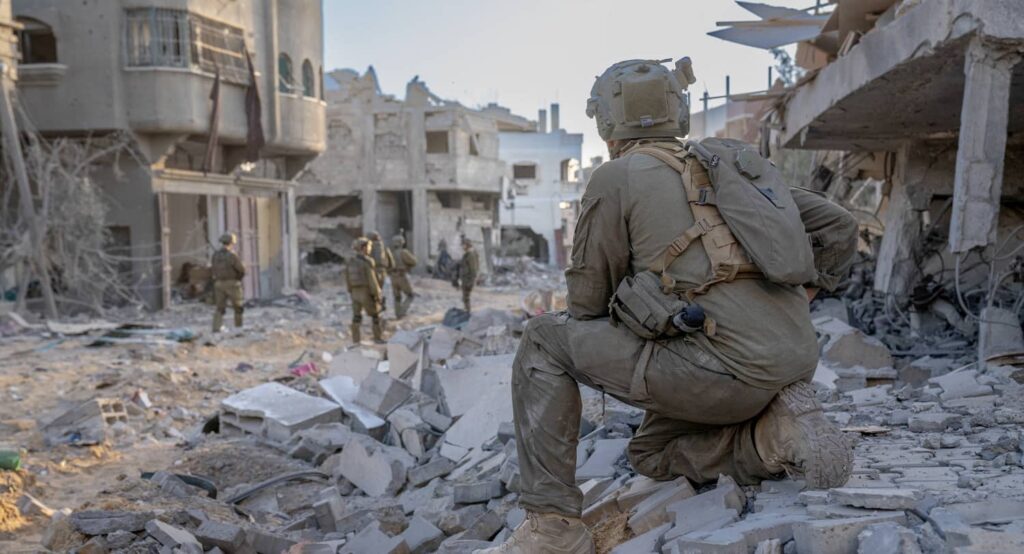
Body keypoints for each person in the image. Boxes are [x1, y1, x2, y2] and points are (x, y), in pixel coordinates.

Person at [477, 59, 859, 553]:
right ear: (677, 112)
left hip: (715, 372)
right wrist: (805, 297)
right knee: (650, 453)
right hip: (793, 361)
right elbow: (839, 227)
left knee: (542, 339)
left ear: (606, 123)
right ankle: (773, 436)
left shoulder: (615, 177)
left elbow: (586, 307)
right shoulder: (735, 164)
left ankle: (553, 528)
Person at [345, 237, 384, 344]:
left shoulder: (350, 262)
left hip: (354, 292)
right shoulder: (367, 262)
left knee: (356, 317)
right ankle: (378, 338)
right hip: (365, 292)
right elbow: (372, 281)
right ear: (364, 248)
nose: (370, 249)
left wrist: (350, 291)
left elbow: (347, 279)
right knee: (376, 315)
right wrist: (377, 294)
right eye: (369, 246)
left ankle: (356, 341)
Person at [210, 233, 245, 333]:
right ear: (231, 242)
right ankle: (238, 327)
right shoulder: (232, 255)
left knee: (219, 308)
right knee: (238, 307)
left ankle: (216, 328)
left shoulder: (215, 255)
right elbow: (241, 270)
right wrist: (238, 279)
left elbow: (212, 269)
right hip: (232, 283)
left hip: (219, 284)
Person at [390, 234, 418, 319]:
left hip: (393, 277)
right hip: (401, 277)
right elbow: (414, 262)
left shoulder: (391, 253)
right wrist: (407, 266)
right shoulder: (404, 252)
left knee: (397, 296)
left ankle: (397, 313)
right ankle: (402, 312)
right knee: (410, 295)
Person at [368, 231, 394, 312]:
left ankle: (374, 306)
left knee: (373, 289)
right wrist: (389, 270)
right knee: (380, 289)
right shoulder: (384, 247)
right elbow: (391, 261)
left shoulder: (369, 247)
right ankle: (382, 304)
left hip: (373, 270)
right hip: (383, 271)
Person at [453, 236, 479, 313]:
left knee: (466, 298)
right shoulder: (468, 254)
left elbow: (473, 269)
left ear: (467, 245)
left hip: (468, 279)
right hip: (465, 279)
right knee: (465, 298)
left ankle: (468, 312)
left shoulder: (470, 255)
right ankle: (467, 310)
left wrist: (470, 281)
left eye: (463, 245)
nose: (462, 247)